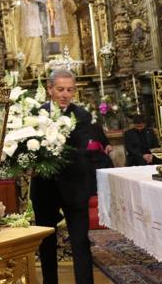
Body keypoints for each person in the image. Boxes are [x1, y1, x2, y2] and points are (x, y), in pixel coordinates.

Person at [30, 69, 95, 284]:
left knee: (80, 243)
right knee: (46, 244)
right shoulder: (35, 115)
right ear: (50, 90)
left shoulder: (82, 116)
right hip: (44, 188)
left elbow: (78, 151)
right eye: (60, 89)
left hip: (74, 187)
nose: (65, 94)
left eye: (70, 90)